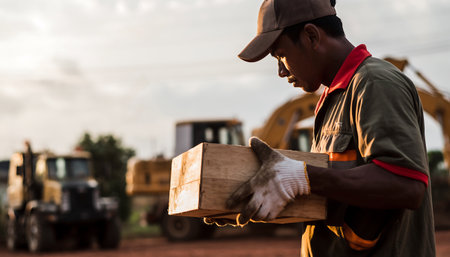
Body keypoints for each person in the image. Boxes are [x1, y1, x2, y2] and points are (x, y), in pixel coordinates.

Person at [205, 0, 436, 256]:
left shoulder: (375, 83)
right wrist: (245, 198)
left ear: (311, 36)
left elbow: (406, 185)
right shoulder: (331, 99)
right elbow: (337, 192)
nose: (281, 70)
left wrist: (303, 177)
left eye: (281, 55)